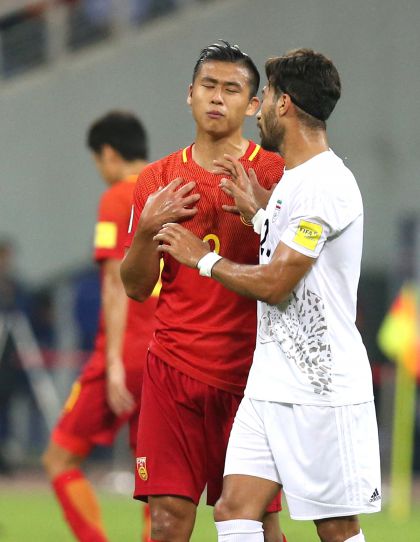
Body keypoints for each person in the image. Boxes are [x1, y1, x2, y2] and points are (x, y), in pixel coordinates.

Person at [153, 48, 381, 542]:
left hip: (321, 390)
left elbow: (278, 283)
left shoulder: (326, 184)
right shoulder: (293, 182)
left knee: (336, 527)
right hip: (270, 382)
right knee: (235, 509)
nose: (259, 110)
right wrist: (260, 214)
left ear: (284, 104)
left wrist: (203, 259)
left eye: (269, 94)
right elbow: (297, 248)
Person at [121, 41, 286, 542]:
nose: (217, 97)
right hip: (172, 373)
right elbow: (135, 288)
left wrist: (261, 214)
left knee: (254, 521)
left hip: (251, 376)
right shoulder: (156, 180)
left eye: (231, 89)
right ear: (189, 94)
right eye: (208, 86)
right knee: (167, 521)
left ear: (253, 106)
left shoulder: (276, 176)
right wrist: (146, 231)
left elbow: (290, 277)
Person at [42, 111, 157, 542]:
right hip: (168, 354)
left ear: (108, 154)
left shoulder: (117, 197)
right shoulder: (169, 189)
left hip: (125, 353)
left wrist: (112, 363)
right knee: (155, 479)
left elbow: (114, 282)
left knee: (59, 458)